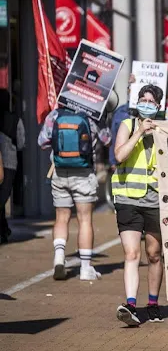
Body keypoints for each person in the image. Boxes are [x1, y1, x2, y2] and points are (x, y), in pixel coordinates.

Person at [38, 104, 112, 281]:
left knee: (61, 217)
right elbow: (107, 140)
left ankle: (59, 257)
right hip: (84, 173)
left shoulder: (55, 114)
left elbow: (41, 142)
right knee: (84, 219)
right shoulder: (93, 115)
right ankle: (85, 269)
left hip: (60, 171)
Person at [113, 85, 164, 326]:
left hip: (155, 199)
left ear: (158, 106)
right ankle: (130, 304)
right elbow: (119, 156)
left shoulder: (164, 129)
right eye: (142, 99)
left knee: (154, 254)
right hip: (127, 198)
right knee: (131, 253)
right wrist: (139, 133)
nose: (146, 103)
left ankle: (153, 304)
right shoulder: (127, 125)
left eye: (150, 101)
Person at [0, 90, 25, 243]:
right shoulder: (15, 120)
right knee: (3, 198)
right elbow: (21, 143)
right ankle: (3, 230)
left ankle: (3, 230)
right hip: (9, 163)